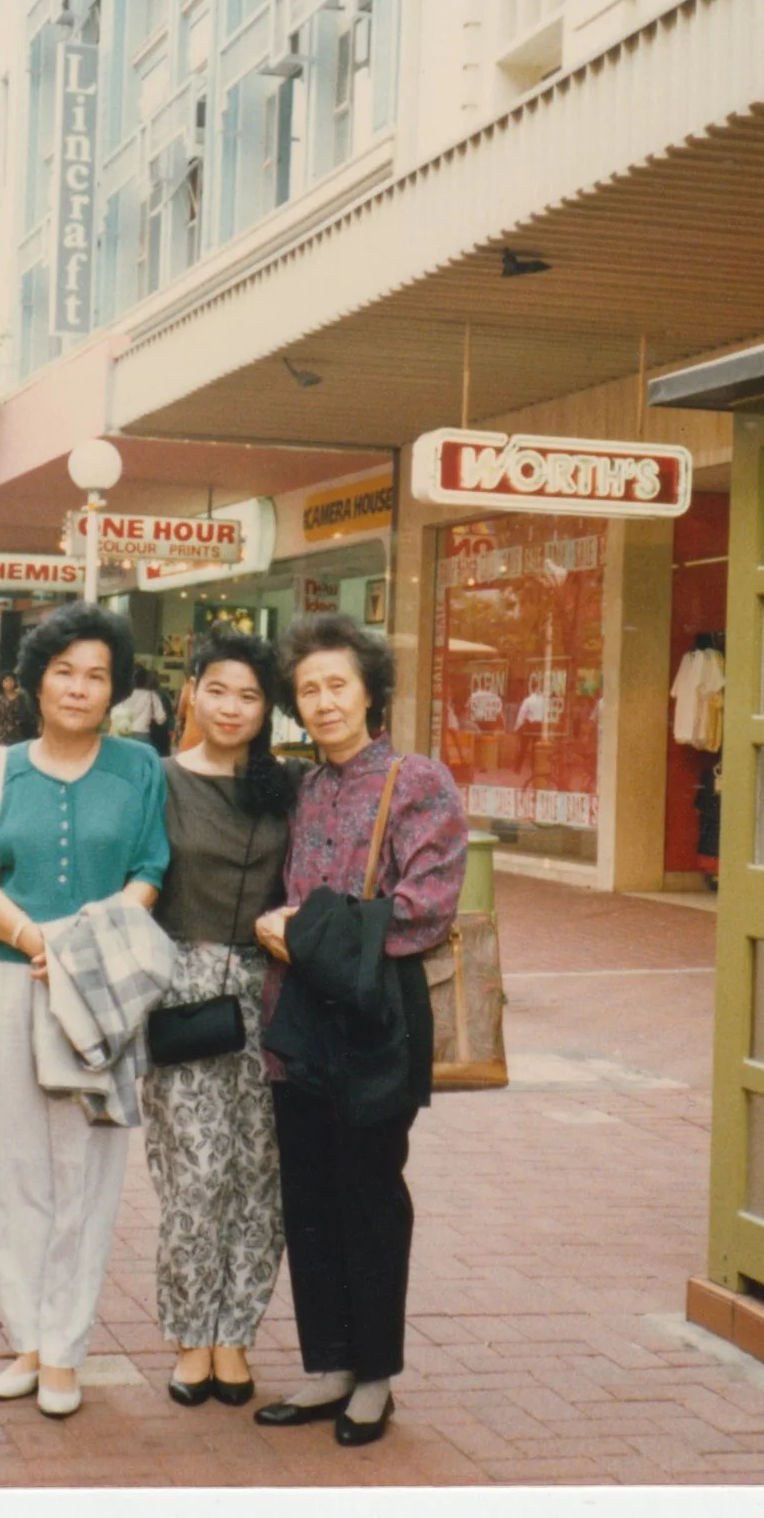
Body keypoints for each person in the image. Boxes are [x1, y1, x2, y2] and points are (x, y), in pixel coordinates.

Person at [250, 614, 466, 1447]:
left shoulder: (419, 782)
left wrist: (302, 931)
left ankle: (374, 1376)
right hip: (297, 1020)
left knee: (371, 1194)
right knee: (308, 1196)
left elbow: (424, 908)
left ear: (371, 690)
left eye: (337, 683)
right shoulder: (303, 787)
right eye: (308, 689)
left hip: (376, 1020)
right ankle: (331, 1365)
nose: (324, 701)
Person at [0, 602, 170, 1421]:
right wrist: (32, 937)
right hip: (11, 981)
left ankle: (67, 1348)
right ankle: (29, 1339)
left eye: (97, 675)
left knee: (89, 1172)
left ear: (115, 689)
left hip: (100, 989)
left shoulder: (139, 768)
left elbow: (151, 866)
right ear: (37, 681)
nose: (79, 688)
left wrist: (83, 944)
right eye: (64, 672)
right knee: (20, 1169)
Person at [146, 630, 305, 1409]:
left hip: (271, 998)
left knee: (259, 1176)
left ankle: (234, 1335)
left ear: (268, 707)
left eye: (249, 695)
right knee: (195, 1173)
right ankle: (189, 1335)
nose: (232, 707)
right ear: (192, 691)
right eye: (218, 690)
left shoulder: (290, 786)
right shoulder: (159, 781)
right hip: (182, 997)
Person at [111, 663, 173, 753]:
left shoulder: (123, 695)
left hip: (123, 734)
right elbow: (161, 719)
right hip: (143, 736)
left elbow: (113, 715)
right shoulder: (151, 695)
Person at [0, 671, 38, 749]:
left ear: (15, 682)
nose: (9, 683)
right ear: (1, 683)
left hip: (20, 737)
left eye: (11, 680)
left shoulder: (24, 698)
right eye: (6, 681)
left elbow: (33, 715)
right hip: (1, 739)